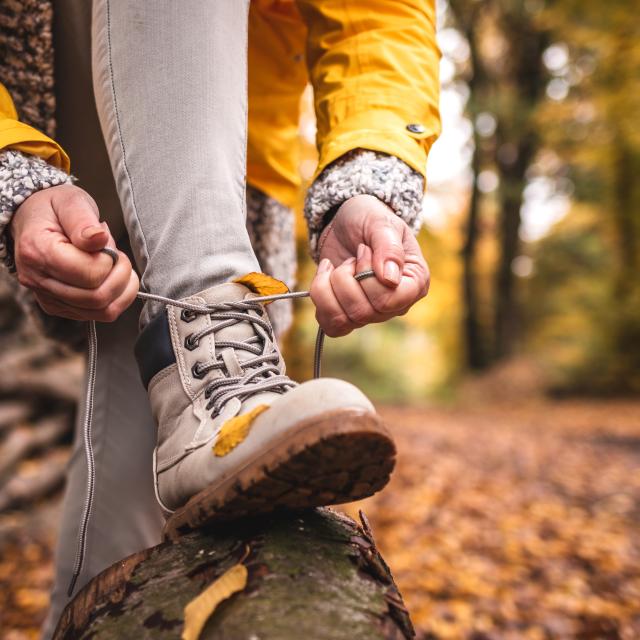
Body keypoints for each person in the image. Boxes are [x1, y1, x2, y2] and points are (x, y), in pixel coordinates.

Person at [0, 0, 440, 635]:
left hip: (225, 164)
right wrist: (11, 179)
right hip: (47, 109)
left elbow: (376, 13)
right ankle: (209, 306)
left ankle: (210, 365)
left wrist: (365, 182)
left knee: (118, 531)